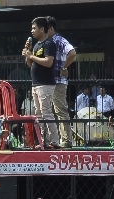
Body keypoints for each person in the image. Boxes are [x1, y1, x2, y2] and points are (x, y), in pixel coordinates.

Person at [23, 16, 58, 148]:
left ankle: (54, 141)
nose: (32, 31)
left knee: (47, 112)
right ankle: (43, 141)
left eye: (34, 28)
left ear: (42, 29)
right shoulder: (37, 44)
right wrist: (28, 53)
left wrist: (31, 56)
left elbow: (49, 62)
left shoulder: (49, 43)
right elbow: (29, 64)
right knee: (39, 114)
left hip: (46, 84)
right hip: (36, 84)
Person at [47, 16, 76, 148]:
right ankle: (54, 140)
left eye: (44, 29)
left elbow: (72, 53)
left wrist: (64, 67)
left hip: (57, 81)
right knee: (50, 112)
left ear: (51, 28)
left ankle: (66, 140)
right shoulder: (48, 42)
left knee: (60, 110)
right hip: (50, 81)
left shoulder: (58, 40)